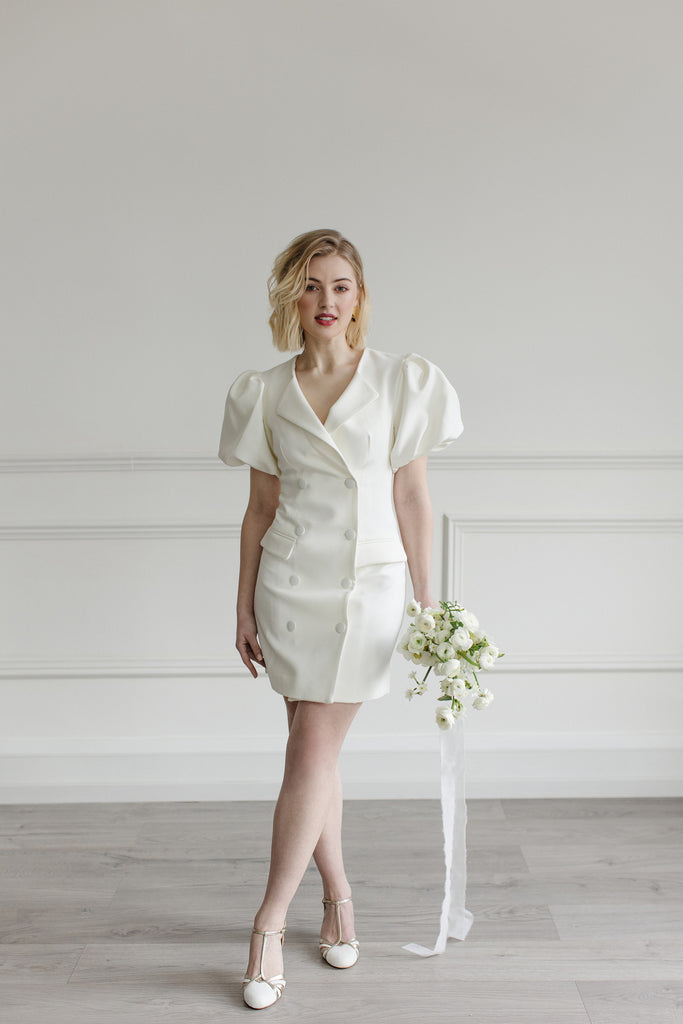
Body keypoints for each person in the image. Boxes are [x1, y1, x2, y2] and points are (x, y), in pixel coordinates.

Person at [218, 228, 464, 1009]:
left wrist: (429, 602)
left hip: (368, 588)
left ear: (360, 297)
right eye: (312, 285)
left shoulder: (402, 382)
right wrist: (241, 604)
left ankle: (265, 928)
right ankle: (338, 899)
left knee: (309, 751)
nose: (327, 301)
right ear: (290, 294)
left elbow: (413, 499)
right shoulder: (262, 391)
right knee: (310, 754)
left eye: (341, 286)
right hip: (288, 587)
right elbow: (258, 509)